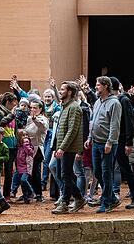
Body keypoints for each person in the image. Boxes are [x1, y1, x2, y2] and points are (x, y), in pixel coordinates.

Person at [85, 76, 122, 213]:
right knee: (97, 171)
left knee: (106, 173)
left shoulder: (114, 103)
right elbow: (92, 120)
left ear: (106, 86)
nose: (96, 87)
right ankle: (111, 197)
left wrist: (110, 142)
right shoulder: (97, 102)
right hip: (96, 142)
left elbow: (114, 125)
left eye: (98, 85)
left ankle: (106, 203)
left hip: (107, 144)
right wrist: (89, 137)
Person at [50, 81, 86, 214]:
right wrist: (58, 147)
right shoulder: (65, 106)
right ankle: (78, 197)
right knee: (64, 174)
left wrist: (62, 148)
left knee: (66, 175)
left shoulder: (74, 108)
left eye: (62, 89)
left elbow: (72, 130)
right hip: (64, 147)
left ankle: (65, 202)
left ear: (70, 92)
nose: (60, 91)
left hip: (69, 148)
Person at [110, 77, 134, 209]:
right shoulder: (114, 100)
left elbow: (129, 122)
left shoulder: (124, 100)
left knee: (126, 169)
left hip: (122, 140)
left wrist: (129, 142)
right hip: (114, 140)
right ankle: (110, 196)